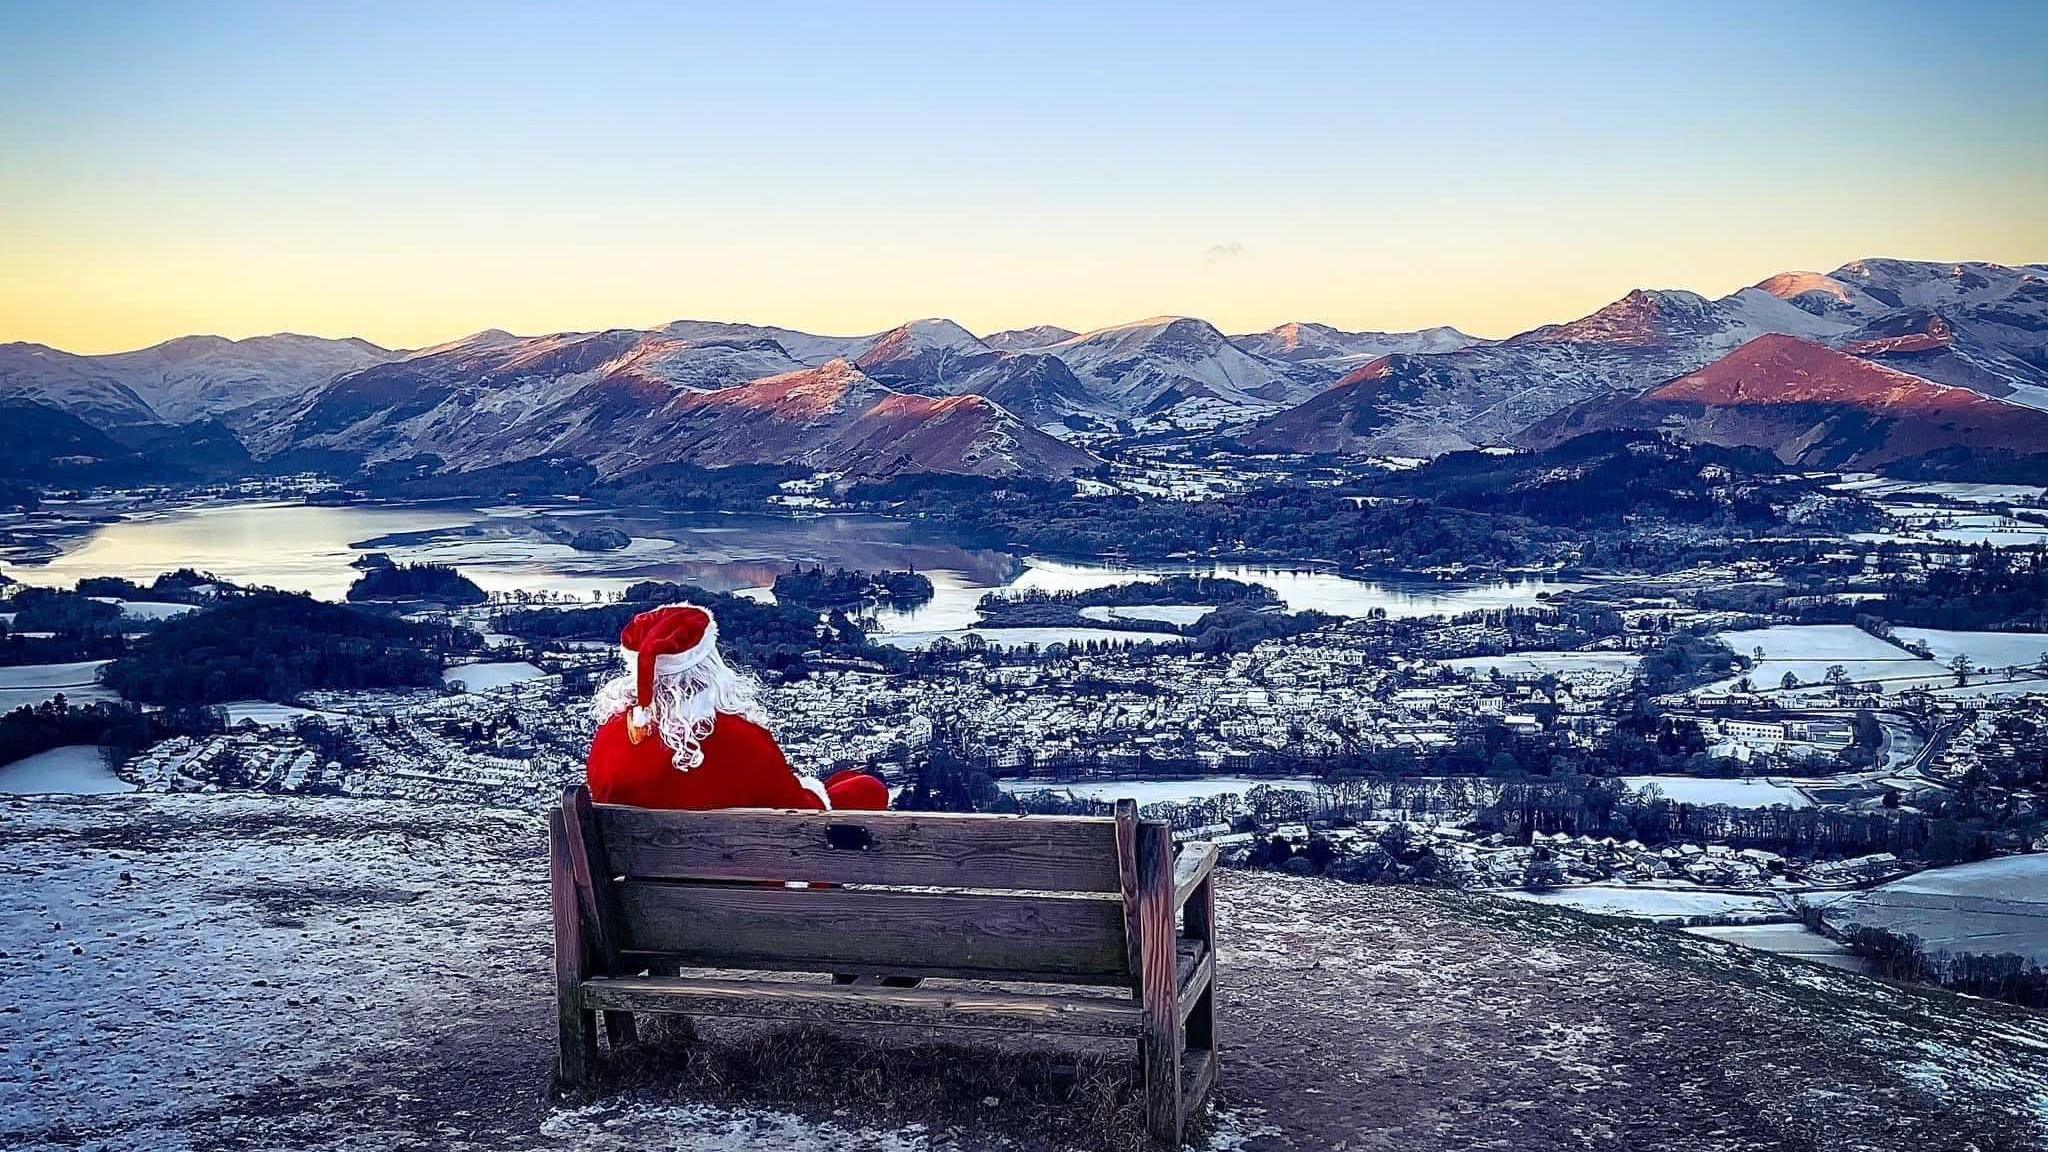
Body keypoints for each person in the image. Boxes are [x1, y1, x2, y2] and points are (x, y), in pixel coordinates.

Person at [585, 602, 888, 811]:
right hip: (746, 898)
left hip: (641, 899)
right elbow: (799, 816)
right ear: (710, 669)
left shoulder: (609, 741)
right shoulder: (740, 739)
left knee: (845, 781)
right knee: (866, 788)